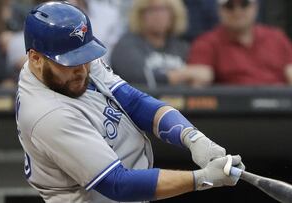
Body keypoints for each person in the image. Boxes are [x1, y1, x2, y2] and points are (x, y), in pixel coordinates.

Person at [16, 2, 245, 203]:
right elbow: (117, 184)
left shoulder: (68, 54)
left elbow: (133, 101)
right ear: (35, 58)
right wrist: (202, 178)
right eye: (71, 64)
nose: (82, 70)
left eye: (84, 59)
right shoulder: (47, 115)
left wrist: (192, 138)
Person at [188, 0, 292, 87]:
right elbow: (199, 86)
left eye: (244, 4)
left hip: (281, 113)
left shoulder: (277, 37)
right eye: (230, 6)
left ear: (255, 7)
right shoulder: (206, 42)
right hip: (231, 115)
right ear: (220, 10)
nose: (237, 11)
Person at [110, 0, 213, 88]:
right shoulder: (126, 45)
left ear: (174, 14)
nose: (158, 15)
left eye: (164, 10)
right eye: (152, 10)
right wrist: (184, 74)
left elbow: (203, 75)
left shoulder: (181, 46)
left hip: (178, 109)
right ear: (140, 15)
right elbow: (140, 78)